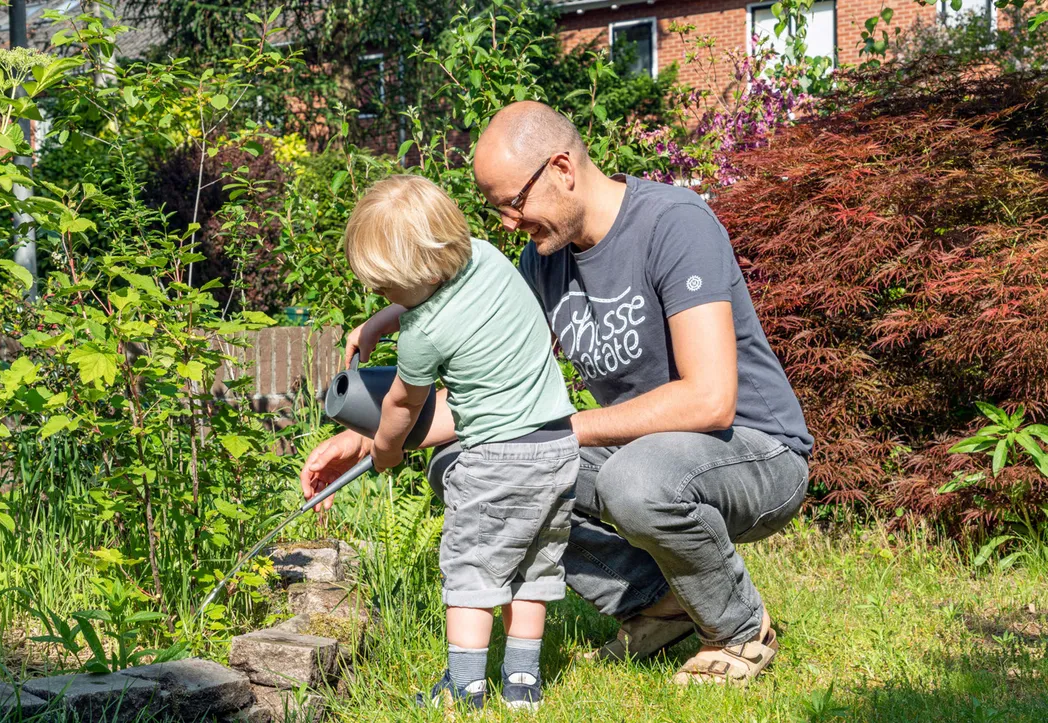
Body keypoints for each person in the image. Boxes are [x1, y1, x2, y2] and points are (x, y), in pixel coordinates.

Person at [304, 100, 812, 687]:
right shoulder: (543, 262)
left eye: (512, 204)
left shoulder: (674, 223)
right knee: (468, 469)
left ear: (563, 169)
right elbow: (490, 404)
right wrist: (367, 439)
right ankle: (656, 601)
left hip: (755, 450)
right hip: (644, 450)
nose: (507, 223)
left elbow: (709, 400)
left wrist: (561, 431)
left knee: (632, 481)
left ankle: (738, 630)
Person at [341, 174, 580, 710]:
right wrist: (383, 319)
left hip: (495, 459)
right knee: (533, 570)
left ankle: (465, 689)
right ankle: (523, 685)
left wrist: (385, 449)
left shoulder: (423, 335)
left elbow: (404, 405)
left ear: (419, 274)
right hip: (560, 446)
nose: (382, 297)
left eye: (385, 289)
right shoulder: (488, 258)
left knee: (472, 572)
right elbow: (434, 293)